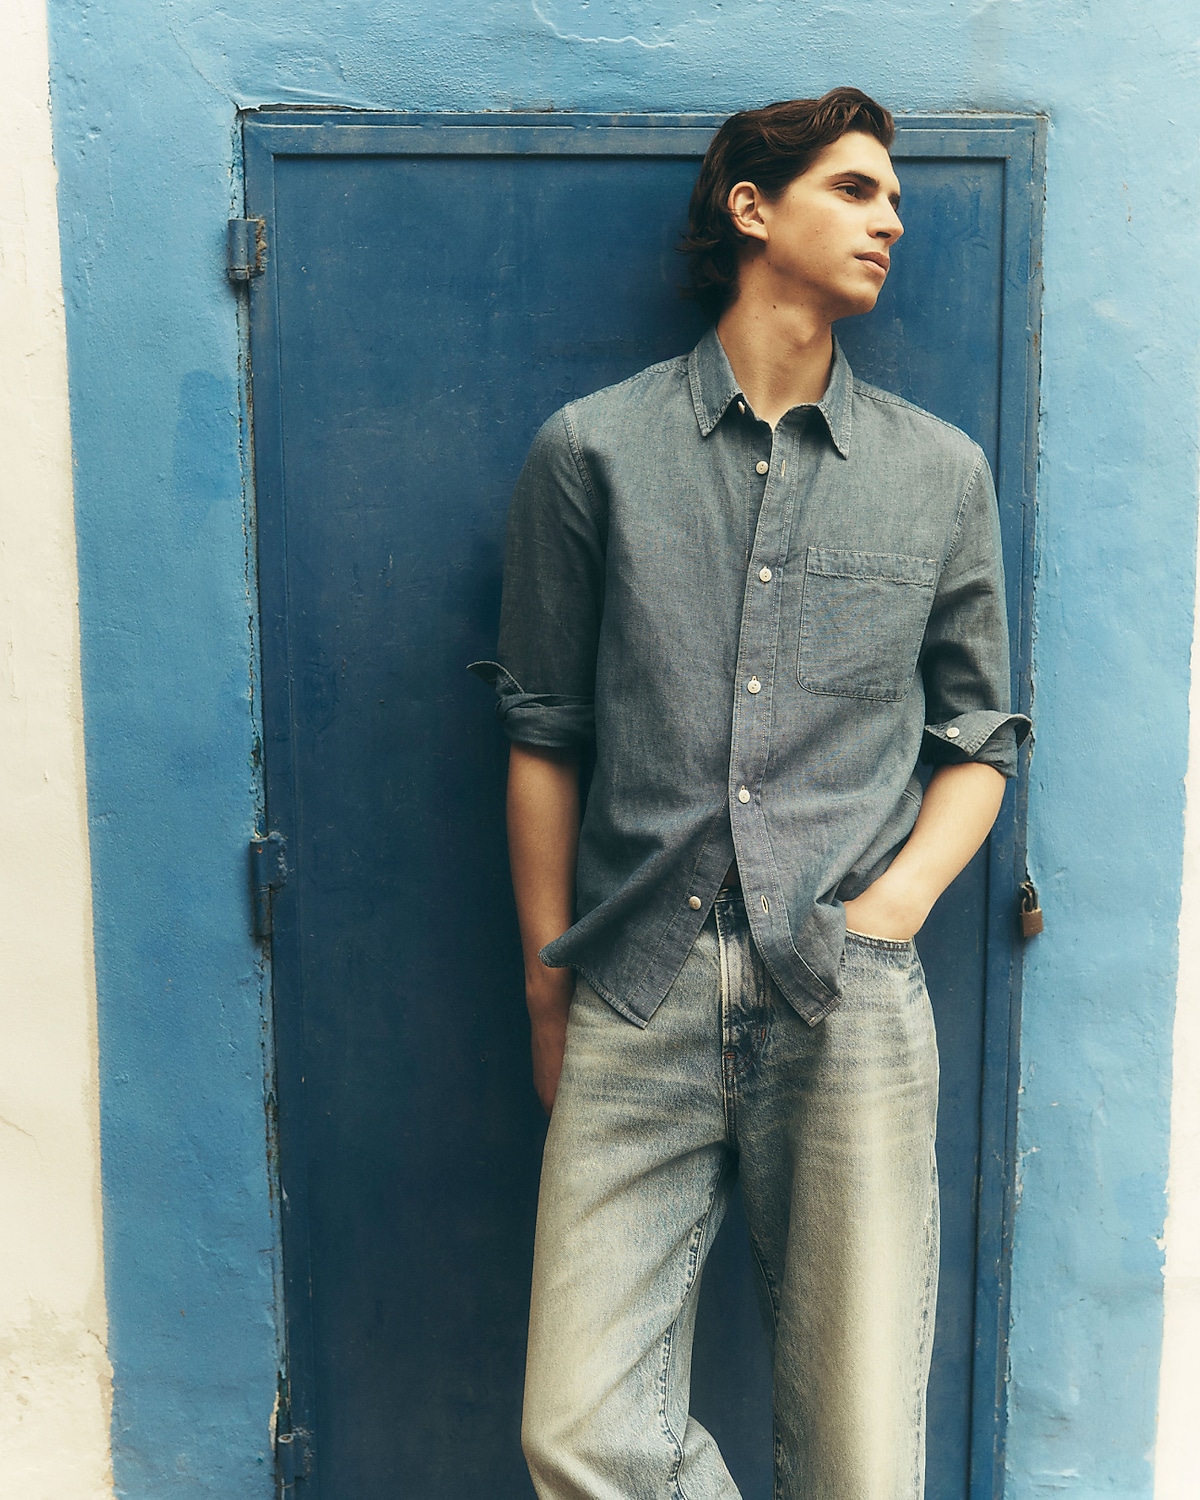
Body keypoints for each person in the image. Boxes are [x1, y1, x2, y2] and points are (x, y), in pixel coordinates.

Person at [470, 86, 1030, 1500]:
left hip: (845, 994)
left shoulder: (939, 473)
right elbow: (543, 733)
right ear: (752, 210)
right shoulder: (591, 451)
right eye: (854, 189)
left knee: (857, 1455)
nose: (889, 217)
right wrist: (551, 988)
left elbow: (982, 738)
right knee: (577, 1430)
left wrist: (891, 907)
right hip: (635, 989)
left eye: (894, 197)